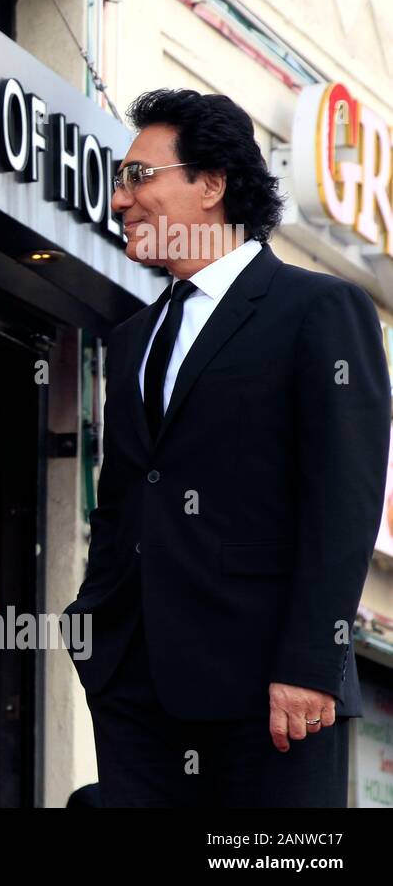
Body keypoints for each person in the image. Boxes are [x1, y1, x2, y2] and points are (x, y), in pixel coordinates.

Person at [63, 89, 391, 806]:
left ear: (210, 185)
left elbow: (346, 498)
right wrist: (94, 627)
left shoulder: (319, 310)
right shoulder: (131, 341)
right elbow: (121, 503)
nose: (121, 201)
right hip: (136, 690)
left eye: (139, 176)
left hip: (269, 693)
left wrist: (309, 663)